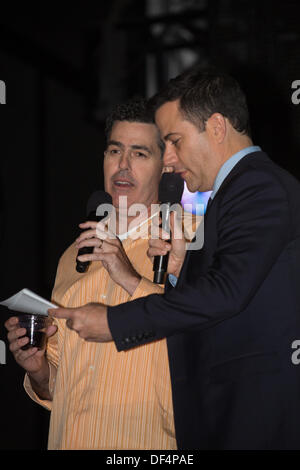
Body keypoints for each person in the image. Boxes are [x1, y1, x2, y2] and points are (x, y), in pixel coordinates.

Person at [48, 66, 300, 450]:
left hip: (253, 414)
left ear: (216, 128)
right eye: (114, 150)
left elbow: (225, 295)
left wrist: (116, 320)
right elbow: (221, 299)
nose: (170, 159)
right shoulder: (233, 194)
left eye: (173, 141)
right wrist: (181, 272)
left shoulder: (256, 186)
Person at [5, 98, 195, 450]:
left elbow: (205, 343)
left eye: (139, 154)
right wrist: (39, 369)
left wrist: (129, 278)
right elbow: (57, 386)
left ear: (166, 168)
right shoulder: (74, 255)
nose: (123, 166)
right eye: (114, 151)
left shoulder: (192, 240)